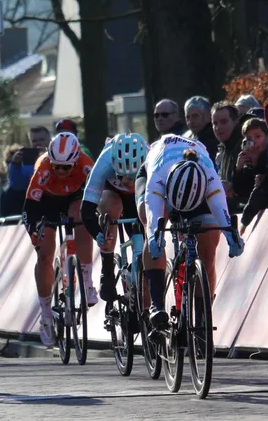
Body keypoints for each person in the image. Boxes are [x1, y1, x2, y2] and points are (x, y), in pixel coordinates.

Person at [139, 137, 244, 334]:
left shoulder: (209, 175)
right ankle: (156, 305)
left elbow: (222, 213)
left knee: (209, 243)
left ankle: (203, 314)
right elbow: (154, 217)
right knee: (150, 228)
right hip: (157, 175)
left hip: (196, 187)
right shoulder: (158, 174)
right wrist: (155, 237)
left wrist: (233, 238)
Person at [23, 131, 96, 348]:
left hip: (75, 197)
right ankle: (45, 314)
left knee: (82, 217)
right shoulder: (43, 168)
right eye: (57, 166)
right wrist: (34, 231)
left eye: (67, 167)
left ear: (76, 159)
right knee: (45, 254)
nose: (62, 171)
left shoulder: (85, 164)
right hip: (46, 201)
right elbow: (30, 206)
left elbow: (97, 193)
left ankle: (87, 282)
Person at [80, 132, 147, 303]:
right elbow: (86, 209)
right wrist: (98, 235)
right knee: (111, 208)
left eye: (133, 177)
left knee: (145, 221)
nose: (128, 182)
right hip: (111, 191)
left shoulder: (151, 157)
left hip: (141, 190)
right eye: (123, 177)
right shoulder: (105, 161)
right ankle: (107, 268)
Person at [211, 100, 242, 208]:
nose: (218, 127)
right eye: (215, 123)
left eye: (224, 122)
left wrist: (233, 187)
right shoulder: (222, 149)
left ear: (236, 121)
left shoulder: (245, 145)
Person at [183, 96, 218, 160]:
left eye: (195, 116)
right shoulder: (186, 137)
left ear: (208, 116)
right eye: (188, 117)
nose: (191, 121)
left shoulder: (217, 136)